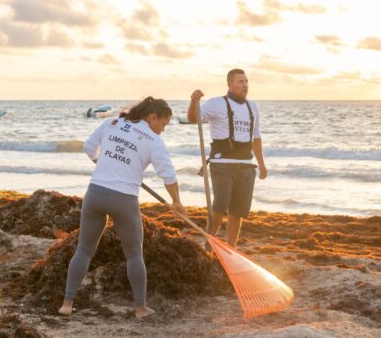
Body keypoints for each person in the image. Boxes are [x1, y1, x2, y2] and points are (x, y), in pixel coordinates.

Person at [59, 96, 186, 319]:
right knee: (134, 254)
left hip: (95, 193)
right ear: (152, 117)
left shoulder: (112, 123)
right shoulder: (153, 141)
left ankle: (67, 304)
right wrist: (176, 201)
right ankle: (140, 308)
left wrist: (107, 164)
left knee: (84, 250)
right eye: (163, 125)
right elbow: (168, 174)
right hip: (124, 200)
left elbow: (90, 148)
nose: (163, 130)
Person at [187, 68, 267, 247]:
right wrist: (194, 102)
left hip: (246, 165)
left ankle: (231, 248)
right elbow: (193, 118)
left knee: (237, 211)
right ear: (230, 84)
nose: (245, 85)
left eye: (246, 81)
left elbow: (256, 137)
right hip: (222, 164)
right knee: (220, 205)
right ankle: (210, 243)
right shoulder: (216, 103)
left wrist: (261, 164)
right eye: (240, 81)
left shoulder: (253, 107)